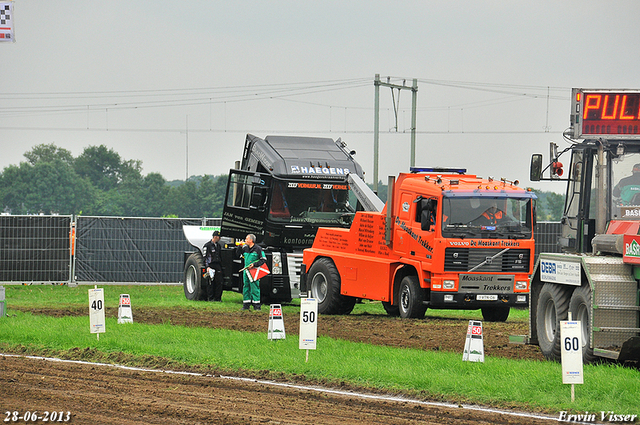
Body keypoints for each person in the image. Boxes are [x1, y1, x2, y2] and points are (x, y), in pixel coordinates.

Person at [238, 233, 266, 311]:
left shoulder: (258, 249)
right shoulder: (245, 248)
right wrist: (239, 247)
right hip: (246, 271)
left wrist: (254, 264)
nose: (245, 240)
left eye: (246, 239)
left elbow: (263, 259)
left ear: (251, 240)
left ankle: (257, 306)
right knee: (245, 287)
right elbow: (237, 255)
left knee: (255, 287)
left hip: (254, 271)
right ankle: (246, 305)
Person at [203, 231, 223, 302]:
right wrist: (207, 267)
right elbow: (205, 257)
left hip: (217, 265)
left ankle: (218, 298)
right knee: (210, 282)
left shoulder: (218, 246)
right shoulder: (207, 245)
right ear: (215, 237)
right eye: (219, 237)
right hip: (210, 265)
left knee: (219, 282)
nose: (219, 239)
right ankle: (210, 298)